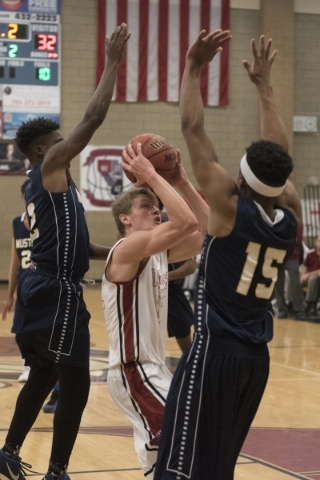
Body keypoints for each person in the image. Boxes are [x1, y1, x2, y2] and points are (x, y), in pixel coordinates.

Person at [154, 32, 301, 480]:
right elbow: (279, 155)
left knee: (182, 465)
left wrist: (192, 67)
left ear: (241, 174)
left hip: (215, 354)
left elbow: (192, 130)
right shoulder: (290, 214)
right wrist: (264, 87)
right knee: (219, 466)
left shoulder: (228, 208)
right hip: (256, 361)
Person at [0, 23, 130, 480]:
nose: (66, 145)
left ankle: (16, 452)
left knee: (52, 377)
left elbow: (73, 245)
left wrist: (122, 250)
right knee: (69, 379)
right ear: (41, 150)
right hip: (55, 292)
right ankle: (54, 468)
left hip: (50, 288)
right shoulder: (50, 166)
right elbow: (92, 119)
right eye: (58, 141)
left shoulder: (57, 186)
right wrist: (112, 60)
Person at [101, 147, 209, 479]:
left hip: (152, 369)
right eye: (146, 207)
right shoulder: (126, 249)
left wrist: (183, 182)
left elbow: (203, 231)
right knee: (187, 440)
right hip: (134, 371)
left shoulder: (159, 251)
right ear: (125, 219)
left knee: (160, 463)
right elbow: (186, 220)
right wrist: (150, 177)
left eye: (157, 206)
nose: (157, 210)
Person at [2, 179, 32, 382]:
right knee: (20, 331)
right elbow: (15, 260)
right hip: (24, 285)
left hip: (43, 283)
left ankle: (37, 366)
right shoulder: (16, 222)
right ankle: (28, 365)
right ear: (23, 197)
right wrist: (10, 294)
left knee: (39, 330)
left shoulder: (47, 221)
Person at [274, 222, 306, 320]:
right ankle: (282, 309)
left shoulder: (298, 222)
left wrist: (281, 239)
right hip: (278, 256)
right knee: (278, 284)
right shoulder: (277, 219)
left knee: (295, 282)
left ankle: (299, 309)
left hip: (293, 256)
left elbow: (298, 239)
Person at [167, 259, 196, 352]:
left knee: (183, 327)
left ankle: (189, 360)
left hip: (171, 290)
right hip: (146, 290)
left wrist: (167, 276)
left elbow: (191, 265)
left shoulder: (172, 247)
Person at [300, 235, 320, 316]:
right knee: (294, 278)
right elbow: (305, 266)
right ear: (316, 242)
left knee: (313, 279)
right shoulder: (311, 253)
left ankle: (311, 304)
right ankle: (293, 303)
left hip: (316, 277)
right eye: (319, 241)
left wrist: (307, 275)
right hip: (308, 277)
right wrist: (302, 275)